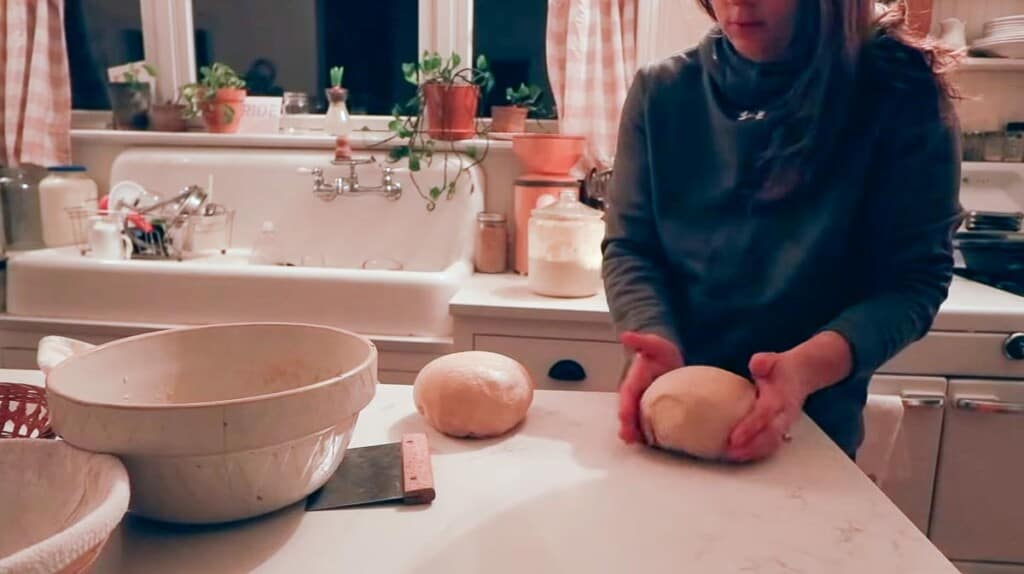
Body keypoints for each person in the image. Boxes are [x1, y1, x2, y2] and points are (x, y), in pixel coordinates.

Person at [603, 0, 962, 461]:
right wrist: (652, 333)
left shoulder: (899, 95)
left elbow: (913, 282)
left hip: (809, 429)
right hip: (663, 412)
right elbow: (631, 248)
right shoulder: (662, 92)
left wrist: (804, 370)